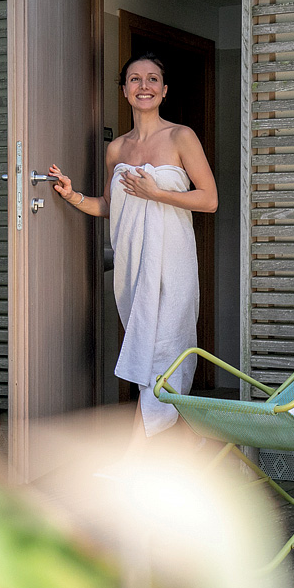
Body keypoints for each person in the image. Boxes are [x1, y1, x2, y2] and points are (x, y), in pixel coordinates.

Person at [49, 52, 217, 437]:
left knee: (167, 350)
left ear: (165, 90)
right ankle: (176, 443)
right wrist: (73, 195)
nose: (144, 86)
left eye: (153, 79)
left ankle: (140, 448)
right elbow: (110, 206)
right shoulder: (117, 150)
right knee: (145, 347)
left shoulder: (181, 136)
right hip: (133, 264)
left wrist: (157, 193)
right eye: (135, 79)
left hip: (172, 262)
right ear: (124, 90)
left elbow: (209, 200)